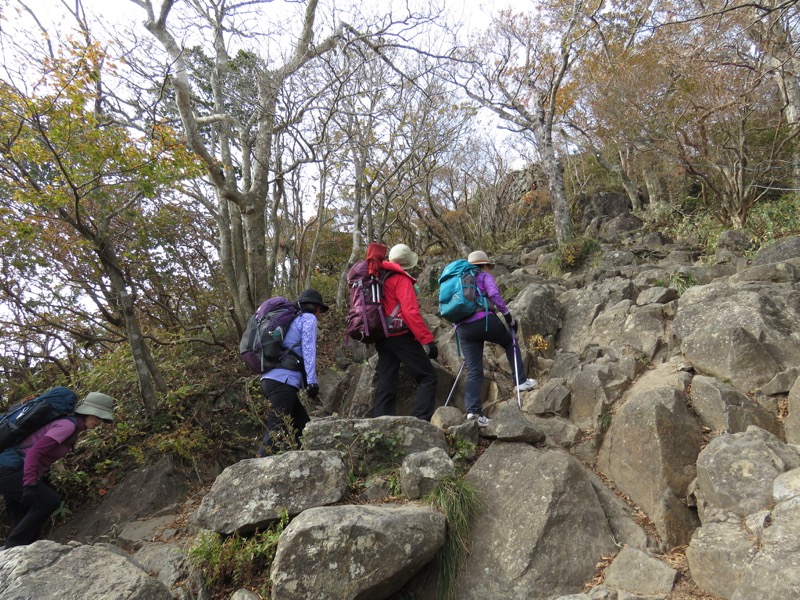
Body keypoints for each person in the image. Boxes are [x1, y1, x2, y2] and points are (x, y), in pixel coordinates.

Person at [0, 391, 115, 549]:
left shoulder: (72, 428)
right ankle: (11, 547)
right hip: (9, 469)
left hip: (12, 468)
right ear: (87, 412)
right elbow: (35, 452)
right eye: (97, 416)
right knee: (49, 501)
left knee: (26, 527)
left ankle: (14, 552)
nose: (99, 421)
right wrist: (29, 482)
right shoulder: (67, 425)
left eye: (102, 418)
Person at [456, 250, 537, 426]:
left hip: (463, 328)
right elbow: (494, 295)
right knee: (509, 341)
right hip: (484, 320)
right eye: (488, 266)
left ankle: (473, 413)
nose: (489, 269)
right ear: (484, 265)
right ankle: (521, 381)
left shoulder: (458, 279)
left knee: (474, 369)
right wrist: (508, 317)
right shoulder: (484, 276)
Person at [257, 289, 328, 456]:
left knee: (302, 427)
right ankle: (251, 473)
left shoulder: (290, 321)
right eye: (320, 310)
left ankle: (308, 465)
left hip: (269, 379)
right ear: (314, 307)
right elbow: (309, 351)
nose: (320, 315)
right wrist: (312, 382)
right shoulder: (307, 319)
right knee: (275, 432)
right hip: (283, 381)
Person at [373, 243, 438, 421]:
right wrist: (427, 340)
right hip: (400, 335)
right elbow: (410, 312)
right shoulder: (401, 279)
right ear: (407, 263)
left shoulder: (379, 277)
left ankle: (380, 422)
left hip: (381, 335)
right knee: (428, 377)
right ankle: (420, 420)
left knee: (387, 380)